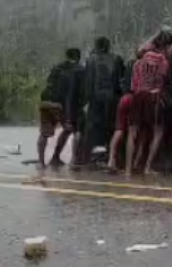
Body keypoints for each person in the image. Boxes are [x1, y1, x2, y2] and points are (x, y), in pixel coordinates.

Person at [127, 34, 172, 176]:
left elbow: (140, 48)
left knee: (134, 132)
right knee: (158, 131)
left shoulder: (142, 55)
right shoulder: (166, 58)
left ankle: (129, 168)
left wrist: (157, 33)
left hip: (138, 96)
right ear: (166, 46)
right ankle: (147, 167)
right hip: (154, 97)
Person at [83, 36, 124, 166]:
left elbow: (89, 81)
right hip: (112, 98)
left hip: (95, 98)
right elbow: (119, 80)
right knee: (111, 127)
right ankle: (110, 156)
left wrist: (87, 99)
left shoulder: (90, 60)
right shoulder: (117, 58)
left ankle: (88, 156)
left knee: (93, 127)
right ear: (107, 46)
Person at [37, 48, 81, 168]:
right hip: (60, 104)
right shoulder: (77, 70)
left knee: (44, 133)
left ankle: (41, 162)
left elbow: (49, 83)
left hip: (45, 100)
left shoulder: (56, 67)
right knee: (73, 130)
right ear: (78, 57)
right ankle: (69, 160)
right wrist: (68, 114)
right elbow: (70, 93)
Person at [107, 59, 136, 172]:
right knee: (132, 132)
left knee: (118, 130)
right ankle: (129, 167)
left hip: (124, 98)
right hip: (134, 98)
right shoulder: (143, 65)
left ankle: (111, 160)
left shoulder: (129, 64)